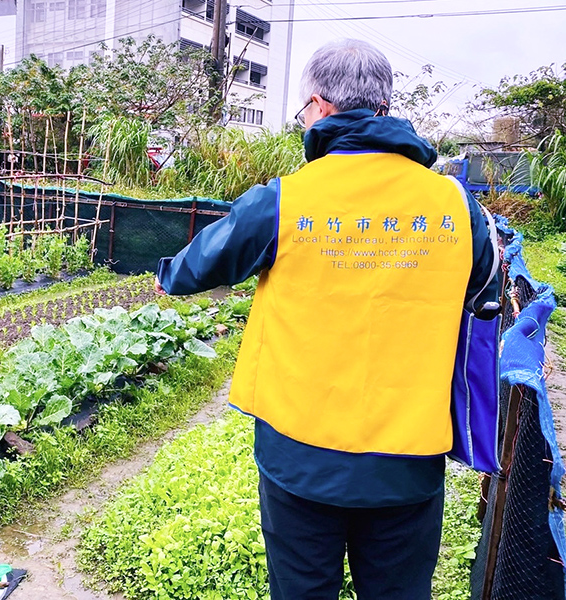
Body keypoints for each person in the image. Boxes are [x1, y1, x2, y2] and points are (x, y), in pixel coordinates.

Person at [154, 39, 498, 600]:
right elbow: (483, 294)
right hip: (408, 459)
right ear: (384, 108)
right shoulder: (457, 206)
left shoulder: (284, 200)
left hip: (300, 457)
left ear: (318, 106)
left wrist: (164, 270)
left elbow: (193, 270)